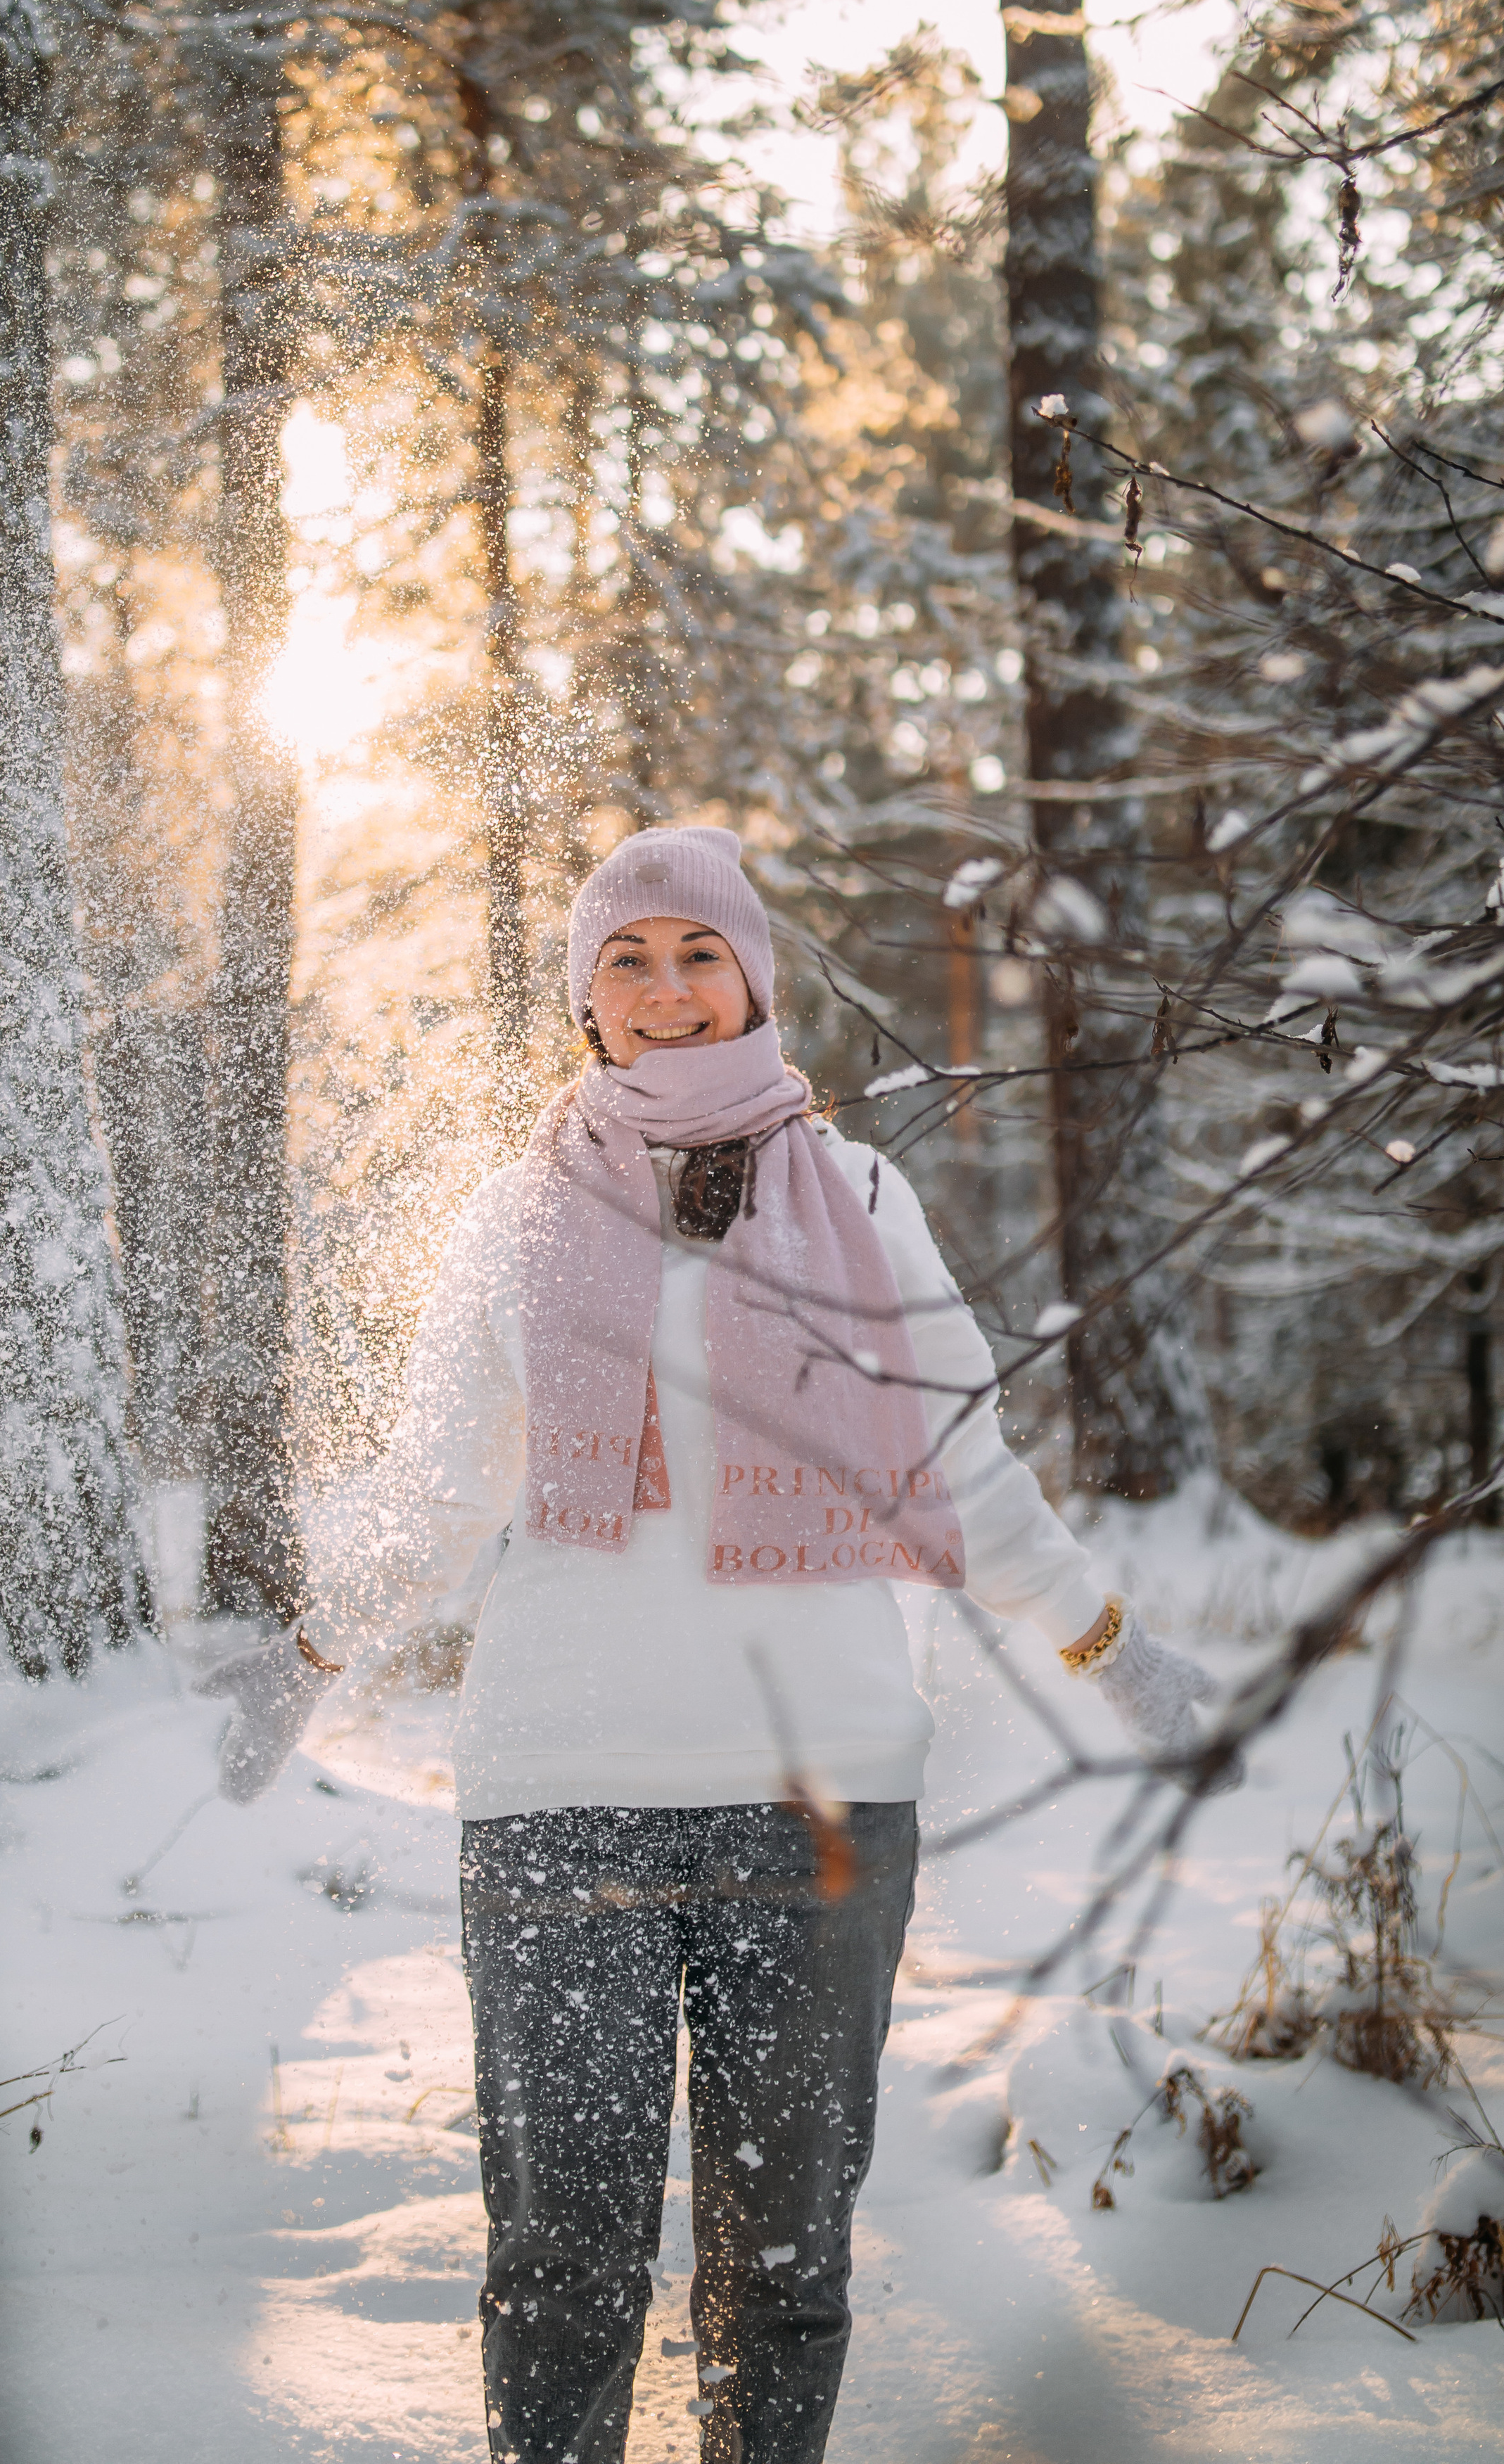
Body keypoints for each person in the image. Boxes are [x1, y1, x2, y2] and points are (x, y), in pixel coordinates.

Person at [205, 826, 1233, 2464]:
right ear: (584, 1002)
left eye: (697, 954)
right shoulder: (513, 1214)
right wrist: (309, 1651)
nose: (666, 989)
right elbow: (439, 1488)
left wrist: (1102, 1641)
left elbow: (958, 1468)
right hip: (560, 1800)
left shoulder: (866, 1198)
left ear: (750, 976)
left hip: (817, 1801)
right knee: (561, 2259)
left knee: (786, 2267)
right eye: (626, 959)